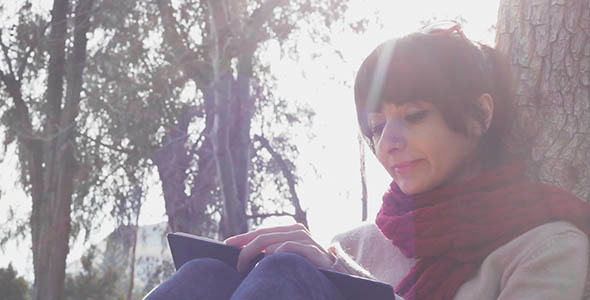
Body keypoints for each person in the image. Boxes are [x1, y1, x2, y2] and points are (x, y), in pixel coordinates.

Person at [144, 21, 590, 300]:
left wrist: (349, 284)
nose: (388, 143)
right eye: (376, 127)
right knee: (205, 274)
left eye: (413, 116)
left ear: (479, 116)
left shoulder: (545, 249)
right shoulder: (353, 245)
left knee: (287, 271)